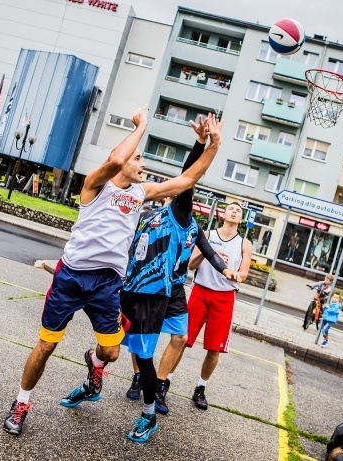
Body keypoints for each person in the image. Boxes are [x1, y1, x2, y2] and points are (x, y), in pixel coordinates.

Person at [3, 108, 223, 437]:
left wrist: (212, 145)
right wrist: (141, 125)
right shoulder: (95, 186)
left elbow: (187, 180)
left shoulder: (140, 193)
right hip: (71, 277)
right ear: (120, 159)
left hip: (106, 284)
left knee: (111, 353)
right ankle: (21, 403)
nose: (143, 164)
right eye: (139, 158)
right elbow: (117, 162)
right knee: (46, 346)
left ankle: (94, 365)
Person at [120, 118, 238, 442]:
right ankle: (137, 377)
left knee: (179, 338)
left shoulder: (193, 226)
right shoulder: (169, 213)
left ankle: (157, 385)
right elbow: (188, 178)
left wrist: (226, 271)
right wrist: (202, 144)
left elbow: (211, 252)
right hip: (148, 285)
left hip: (173, 288)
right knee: (140, 340)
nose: (192, 200)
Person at [169, 201, 252, 410]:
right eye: (231, 209)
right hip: (201, 291)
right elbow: (191, 264)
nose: (234, 212)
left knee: (214, 348)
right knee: (182, 339)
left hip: (224, 297)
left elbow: (244, 273)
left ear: (240, 219)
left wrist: (235, 275)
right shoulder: (208, 234)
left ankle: (200, 388)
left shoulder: (244, 243)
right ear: (223, 214)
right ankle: (165, 380)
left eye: (238, 211)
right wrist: (210, 253)